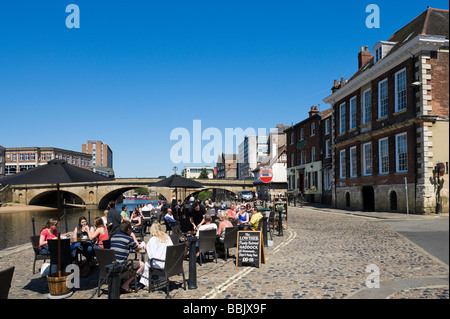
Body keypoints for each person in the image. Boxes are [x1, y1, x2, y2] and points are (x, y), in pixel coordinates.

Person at [110, 221, 145, 293]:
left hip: (112, 264)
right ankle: (126, 284)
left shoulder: (113, 237)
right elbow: (138, 248)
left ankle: (119, 281)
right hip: (121, 266)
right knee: (142, 264)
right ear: (128, 229)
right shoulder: (128, 239)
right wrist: (133, 236)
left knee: (126, 260)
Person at [140, 222, 173, 287]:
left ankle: (145, 284)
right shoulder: (167, 237)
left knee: (147, 264)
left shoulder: (153, 240)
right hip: (170, 263)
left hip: (161, 264)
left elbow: (150, 256)